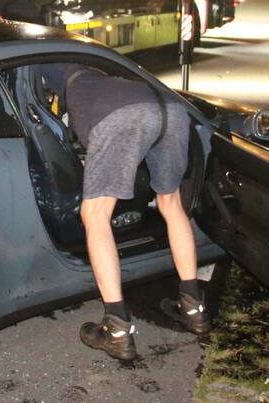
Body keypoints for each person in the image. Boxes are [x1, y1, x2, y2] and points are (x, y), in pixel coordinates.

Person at [43, 64, 210, 361]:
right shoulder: (99, 71)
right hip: (171, 108)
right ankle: (194, 308)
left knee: (94, 215)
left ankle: (117, 328)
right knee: (171, 203)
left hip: (121, 116)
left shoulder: (49, 68)